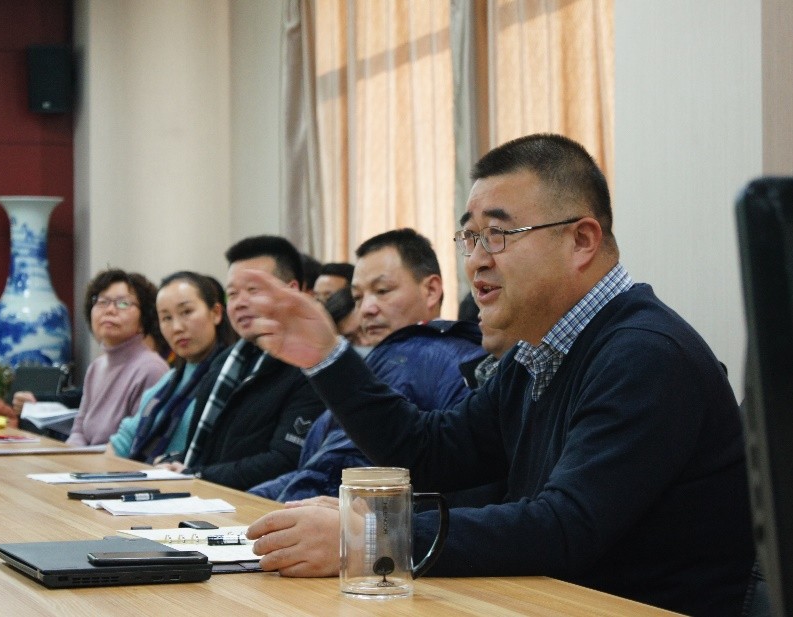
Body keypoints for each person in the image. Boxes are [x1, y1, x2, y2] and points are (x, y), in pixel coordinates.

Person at [240, 134, 756, 615]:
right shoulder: (538, 352)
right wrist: (328, 357)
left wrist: (369, 536)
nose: (475, 262)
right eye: (469, 237)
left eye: (497, 235)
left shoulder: (645, 355)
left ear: (581, 240)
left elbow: (564, 527)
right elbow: (430, 451)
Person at [249, 228, 486, 502]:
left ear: (431, 290)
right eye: (358, 297)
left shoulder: (420, 354)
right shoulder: (387, 358)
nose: (366, 309)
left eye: (382, 291)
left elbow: (341, 471)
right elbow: (315, 467)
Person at [160, 236, 325, 490]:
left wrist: (197, 474)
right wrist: (177, 463)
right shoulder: (226, 362)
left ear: (292, 291)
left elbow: (286, 461)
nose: (240, 303)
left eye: (253, 290)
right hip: (207, 497)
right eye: (233, 294)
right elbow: (211, 451)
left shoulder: (311, 365)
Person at [108, 272, 237, 463]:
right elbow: (123, 442)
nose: (177, 327)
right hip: (143, 476)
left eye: (187, 312)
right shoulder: (169, 380)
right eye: (166, 318)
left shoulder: (232, 377)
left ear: (216, 313)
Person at [59, 269, 169, 446]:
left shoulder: (152, 369)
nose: (110, 310)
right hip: (86, 461)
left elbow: (137, 445)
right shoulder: (96, 367)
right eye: (102, 302)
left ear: (143, 320)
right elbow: (79, 431)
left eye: (123, 303)